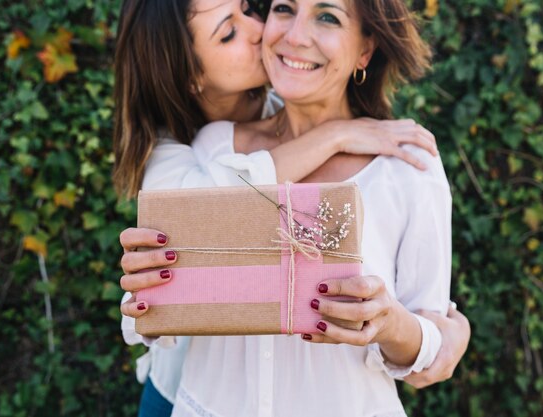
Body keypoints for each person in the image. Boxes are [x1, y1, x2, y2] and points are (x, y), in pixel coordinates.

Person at [114, 0, 470, 415]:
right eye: (284, 8)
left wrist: (395, 324)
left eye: (328, 16)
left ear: (365, 51)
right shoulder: (210, 149)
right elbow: (162, 297)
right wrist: (149, 290)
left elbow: (430, 348)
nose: (295, 35)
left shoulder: (408, 168)